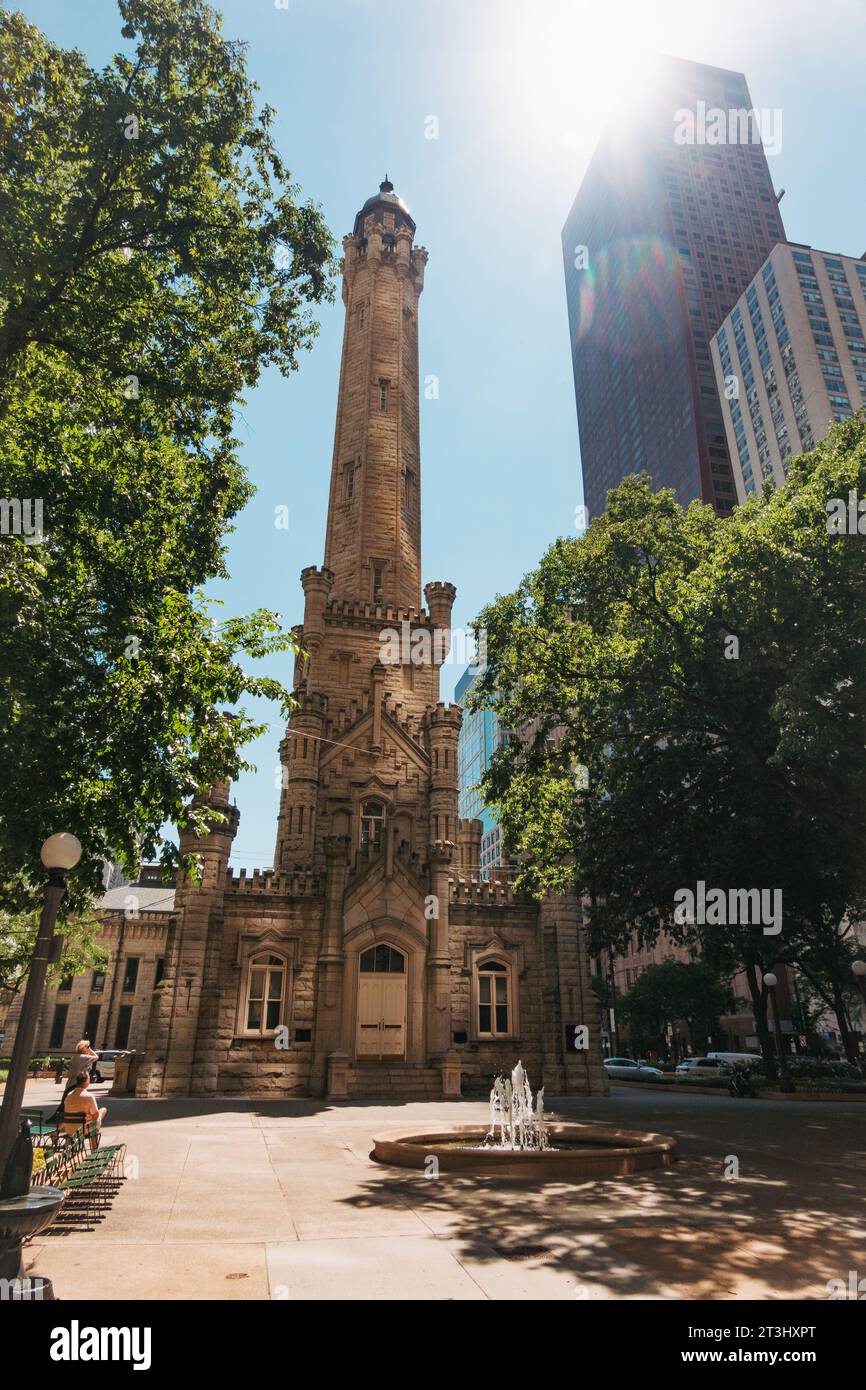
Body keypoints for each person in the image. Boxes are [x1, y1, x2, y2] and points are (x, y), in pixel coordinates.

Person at [60, 1072, 107, 1150]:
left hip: (70, 1129)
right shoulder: (89, 1097)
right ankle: (94, 1148)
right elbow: (95, 1116)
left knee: (91, 1119)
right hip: (83, 1130)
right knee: (102, 1111)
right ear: (86, 1081)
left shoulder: (68, 1096)